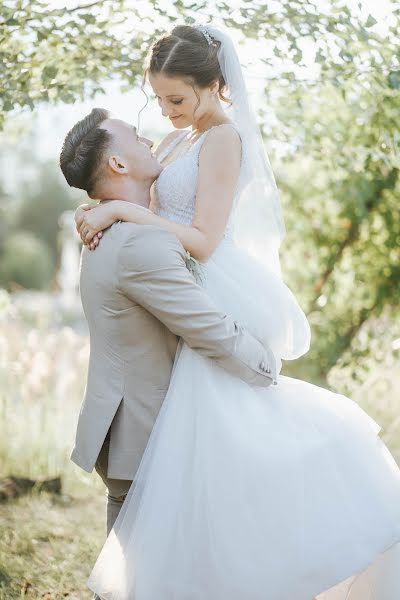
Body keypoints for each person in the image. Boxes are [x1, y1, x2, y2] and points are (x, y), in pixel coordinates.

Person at [77, 25, 400, 600]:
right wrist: (104, 207)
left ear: (214, 85)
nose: (166, 111)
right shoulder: (175, 141)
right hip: (175, 284)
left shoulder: (223, 139)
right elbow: (132, 189)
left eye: (178, 98)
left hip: (210, 285)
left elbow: (201, 239)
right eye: (158, 99)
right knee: (199, 463)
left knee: (237, 444)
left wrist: (122, 218)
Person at [59, 107, 278, 566]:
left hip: (128, 432)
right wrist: (268, 369)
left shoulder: (108, 225)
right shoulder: (141, 243)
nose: (152, 142)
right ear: (117, 165)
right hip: (146, 437)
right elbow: (210, 331)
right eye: (137, 137)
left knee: (133, 575)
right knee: (146, 577)